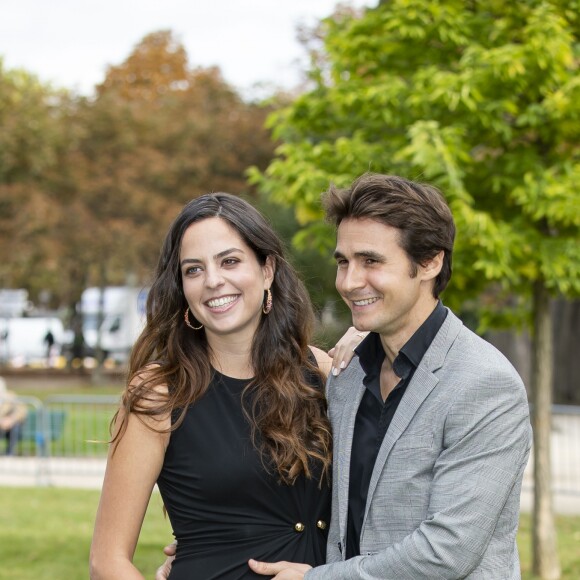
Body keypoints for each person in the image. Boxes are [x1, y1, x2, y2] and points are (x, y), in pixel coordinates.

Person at [246, 174, 532, 579]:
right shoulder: (347, 376)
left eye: (371, 261)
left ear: (430, 261)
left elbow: (447, 551)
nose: (348, 282)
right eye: (343, 262)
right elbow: (321, 504)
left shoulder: (484, 384)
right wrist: (218, 541)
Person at [89, 192, 361, 579]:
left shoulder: (321, 372)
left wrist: (372, 345)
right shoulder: (161, 392)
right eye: (193, 270)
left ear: (267, 270)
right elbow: (107, 561)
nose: (213, 281)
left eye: (230, 261)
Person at [0, 376, 28, 456]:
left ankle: (10, 452)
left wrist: (11, 420)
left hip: (10, 427)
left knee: (16, 427)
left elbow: (22, 411)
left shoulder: (11, 396)